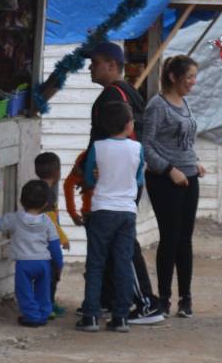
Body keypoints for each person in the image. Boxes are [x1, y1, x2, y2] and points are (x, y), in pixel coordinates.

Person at [84, 41, 165, 324]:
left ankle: (145, 302)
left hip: (113, 186)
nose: (89, 68)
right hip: (123, 181)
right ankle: (108, 300)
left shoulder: (113, 95)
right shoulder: (127, 92)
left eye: (94, 63)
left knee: (122, 246)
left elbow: (115, 141)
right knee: (114, 244)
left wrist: (97, 171)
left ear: (111, 65)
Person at [142, 54, 205, 318]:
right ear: (173, 77)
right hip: (165, 179)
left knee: (185, 238)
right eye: (189, 77)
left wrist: (195, 162)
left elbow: (185, 142)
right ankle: (165, 297)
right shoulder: (157, 105)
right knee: (170, 236)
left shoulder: (185, 103)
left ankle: (186, 298)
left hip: (189, 176)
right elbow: (146, 144)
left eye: (193, 77)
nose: (193, 82)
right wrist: (169, 170)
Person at [76, 102, 144, 332]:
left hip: (102, 208)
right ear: (128, 124)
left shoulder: (98, 147)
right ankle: (121, 316)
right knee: (122, 262)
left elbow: (89, 179)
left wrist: (98, 176)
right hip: (126, 210)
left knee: (96, 263)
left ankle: (91, 316)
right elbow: (139, 179)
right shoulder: (137, 148)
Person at [0, 180, 64, 328]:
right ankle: (43, 314)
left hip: (24, 264)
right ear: (46, 203)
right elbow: (54, 245)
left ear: (21, 201)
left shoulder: (15, 218)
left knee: (24, 291)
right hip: (43, 263)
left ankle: (32, 316)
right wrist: (59, 264)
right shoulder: (48, 221)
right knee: (43, 290)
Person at [34, 151, 70, 318]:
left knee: (42, 275)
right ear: (57, 172)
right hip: (49, 241)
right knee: (53, 273)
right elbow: (51, 222)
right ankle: (48, 305)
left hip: (35, 240)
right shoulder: (49, 194)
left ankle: (43, 303)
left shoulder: (35, 190)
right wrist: (63, 238)